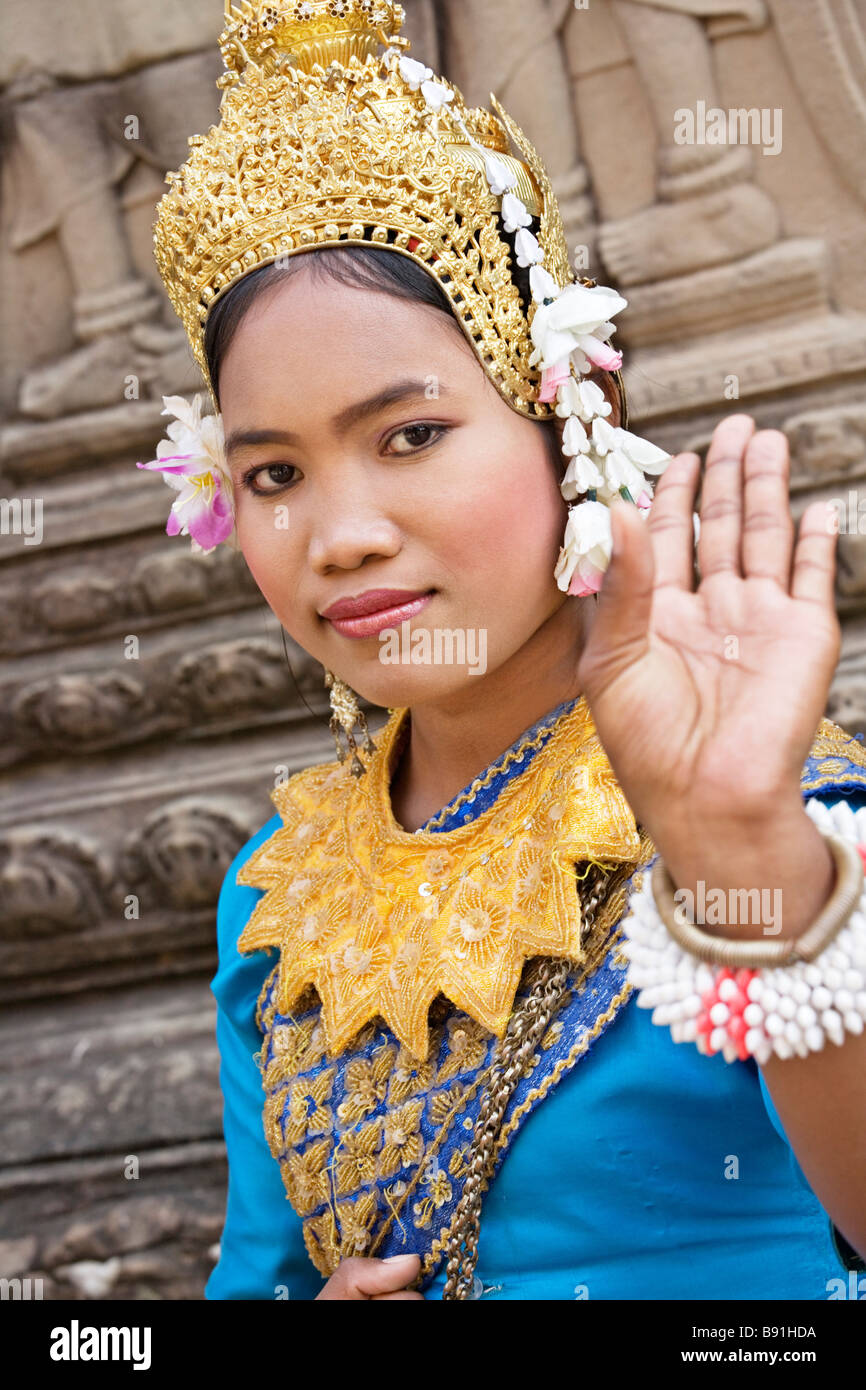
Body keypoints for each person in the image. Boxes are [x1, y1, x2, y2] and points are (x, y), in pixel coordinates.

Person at [138, 0, 866, 1300]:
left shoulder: (769, 801)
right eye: (274, 471)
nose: (342, 532)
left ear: (565, 413)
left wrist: (748, 862)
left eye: (409, 433)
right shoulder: (276, 894)